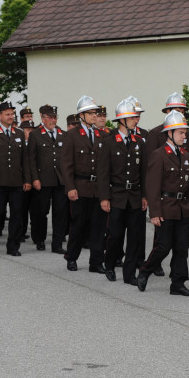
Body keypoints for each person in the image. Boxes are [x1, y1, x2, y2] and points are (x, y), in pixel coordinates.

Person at [136, 110, 189, 296]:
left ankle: (178, 283)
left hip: (183, 208)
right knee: (163, 246)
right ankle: (145, 270)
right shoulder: (159, 155)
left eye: (185, 132)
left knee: (182, 248)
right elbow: (152, 186)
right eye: (181, 132)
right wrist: (154, 213)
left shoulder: (185, 155)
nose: (184, 136)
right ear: (169, 133)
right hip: (166, 207)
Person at [99, 98, 147, 285]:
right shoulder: (109, 142)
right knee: (116, 236)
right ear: (122, 120)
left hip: (134, 196)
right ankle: (110, 265)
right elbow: (103, 173)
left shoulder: (139, 142)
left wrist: (144, 196)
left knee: (135, 238)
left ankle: (129, 275)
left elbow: (143, 172)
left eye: (136, 117)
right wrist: (104, 197)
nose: (136, 120)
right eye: (133, 117)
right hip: (117, 196)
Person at [61, 95, 106, 272]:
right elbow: (66, 164)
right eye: (91, 113)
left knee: (98, 227)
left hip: (98, 188)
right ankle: (71, 257)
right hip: (80, 187)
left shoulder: (101, 134)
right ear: (81, 115)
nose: (95, 116)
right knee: (79, 225)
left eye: (95, 113)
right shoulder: (72, 135)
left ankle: (96, 262)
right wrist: (70, 187)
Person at [0, 102, 29, 256]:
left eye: (12, 114)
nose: (10, 117)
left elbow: (24, 159)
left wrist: (27, 179)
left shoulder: (18, 133)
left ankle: (13, 246)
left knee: (17, 214)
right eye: (7, 114)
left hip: (16, 181)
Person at [27, 104, 67, 254]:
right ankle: (39, 238)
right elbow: (31, 159)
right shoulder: (35, 134)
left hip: (60, 180)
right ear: (42, 118)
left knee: (60, 212)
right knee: (41, 211)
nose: (53, 120)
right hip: (43, 179)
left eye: (55, 117)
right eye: (50, 117)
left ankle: (57, 244)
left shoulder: (62, 134)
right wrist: (34, 178)